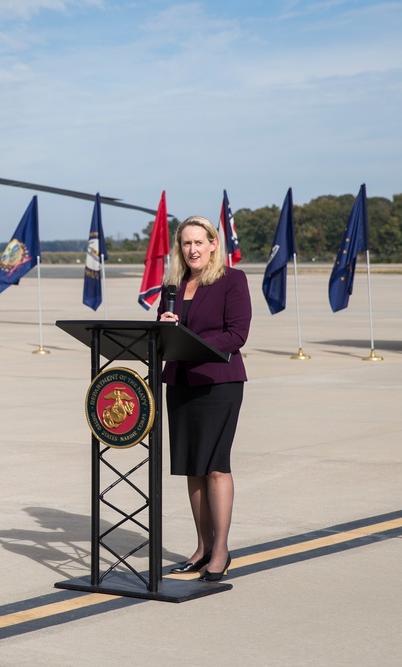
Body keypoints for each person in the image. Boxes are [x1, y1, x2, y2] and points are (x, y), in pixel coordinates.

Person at [157, 216, 251, 582]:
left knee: (215, 465)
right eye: (186, 243)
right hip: (180, 382)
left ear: (214, 244)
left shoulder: (232, 280)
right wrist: (163, 327)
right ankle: (202, 547)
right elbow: (162, 332)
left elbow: (237, 333)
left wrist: (195, 346)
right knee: (192, 467)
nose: (192, 249)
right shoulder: (173, 285)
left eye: (199, 242)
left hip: (219, 383)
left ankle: (222, 549)